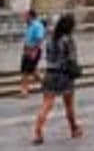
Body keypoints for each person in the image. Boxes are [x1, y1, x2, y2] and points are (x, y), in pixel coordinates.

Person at [32, 13, 83, 144]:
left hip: (50, 73)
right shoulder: (68, 39)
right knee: (69, 105)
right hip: (64, 75)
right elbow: (72, 58)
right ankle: (73, 129)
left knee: (46, 104)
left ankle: (38, 131)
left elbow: (46, 56)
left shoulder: (50, 39)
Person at [20, 10, 47, 96]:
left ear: (31, 16)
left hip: (33, 50)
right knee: (32, 70)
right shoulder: (29, 25)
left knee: (25, 71)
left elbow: (39, 39)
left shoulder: (37, 25)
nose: (24, 18)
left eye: (26, 16)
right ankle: (46, 84)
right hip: (28, 49)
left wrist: (34, 51)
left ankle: (24, 91)